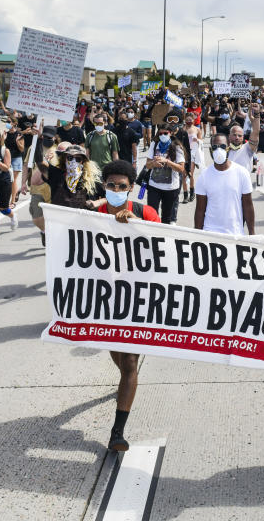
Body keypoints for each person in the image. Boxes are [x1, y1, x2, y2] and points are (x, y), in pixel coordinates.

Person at [96, 160, 161, 450]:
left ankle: (117, 432)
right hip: (104, 298)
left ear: (131, 188)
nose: (117, 190)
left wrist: (136, 227)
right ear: (104, 186)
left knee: (131, 361)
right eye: (112, 185)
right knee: (119, 357)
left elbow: (162, 247)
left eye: (123, 186)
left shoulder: (144, 212)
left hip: (137, 297)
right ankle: (124, 376)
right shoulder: (92, 215)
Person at [194, 134, 255, 236]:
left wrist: (252, 233)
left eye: (222, 146)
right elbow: (200, 209)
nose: (219, 150)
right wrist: (197, 235)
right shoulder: (204, 176)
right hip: (210, 233)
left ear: (228, 148)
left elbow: (248, 205)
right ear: (210, 150)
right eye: (215, 147)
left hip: (235, 233)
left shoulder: (242, 173)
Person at [143, 122, 186, 224]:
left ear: (170, 133)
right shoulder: (154, 145)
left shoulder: (176, 147)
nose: (162, 136)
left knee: (166, 217)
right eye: (160, 133)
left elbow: (181, 168)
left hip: (170, 188)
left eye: (165, 133)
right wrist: (154, 163)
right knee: (151, 214)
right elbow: (147, 165)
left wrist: (167, 161)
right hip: (154, 186)